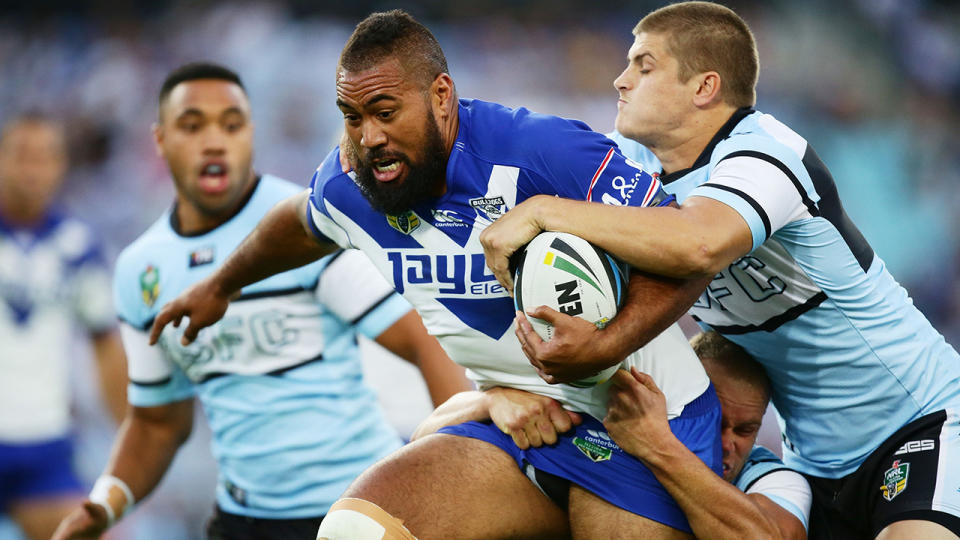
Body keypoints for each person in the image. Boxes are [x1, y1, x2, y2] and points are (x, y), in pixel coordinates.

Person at [149, 11, 724, 540]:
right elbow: (299, 223)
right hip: (519, 425)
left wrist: (606, 346)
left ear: (441, 96)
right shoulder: (354, 184)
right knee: (354, 533)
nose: (368, 136)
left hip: (643, 421)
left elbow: (689, 252)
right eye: (352, 117)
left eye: (384, 112)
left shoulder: (540, 150)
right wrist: (220, 286)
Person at [478, 2, 960, 539]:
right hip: (811, 459)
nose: (620, 80)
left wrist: (544, 209)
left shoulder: (766, 154)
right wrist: (498, 386)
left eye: (643, 65)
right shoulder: (631, 170)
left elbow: (699, 244)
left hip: (919, 420)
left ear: (704, 87)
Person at [51, 62, 471, 540]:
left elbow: (422, 340)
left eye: (231, 125)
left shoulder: (306, 227)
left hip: (351, 510)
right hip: (241, 522)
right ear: (160, 140)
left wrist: (455, 471)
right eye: (193, 126)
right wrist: (103, 506)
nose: (214, 141)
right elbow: (157, 423)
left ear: (250, 134)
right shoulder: (141, 270)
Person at [414, 330, 812, 539]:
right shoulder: (602, 422)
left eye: (745, 430)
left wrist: (659, 446)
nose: (726, 444)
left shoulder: (774, 479)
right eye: (714, 420)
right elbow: (424, 441)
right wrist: (492, 401)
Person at [0, 112, 127, 540]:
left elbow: (105, 345)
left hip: (45, 444)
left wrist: (132, 440)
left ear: (61, 166)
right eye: (21, 155)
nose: (32, 169)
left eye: (45, 157)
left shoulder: (77, 246)